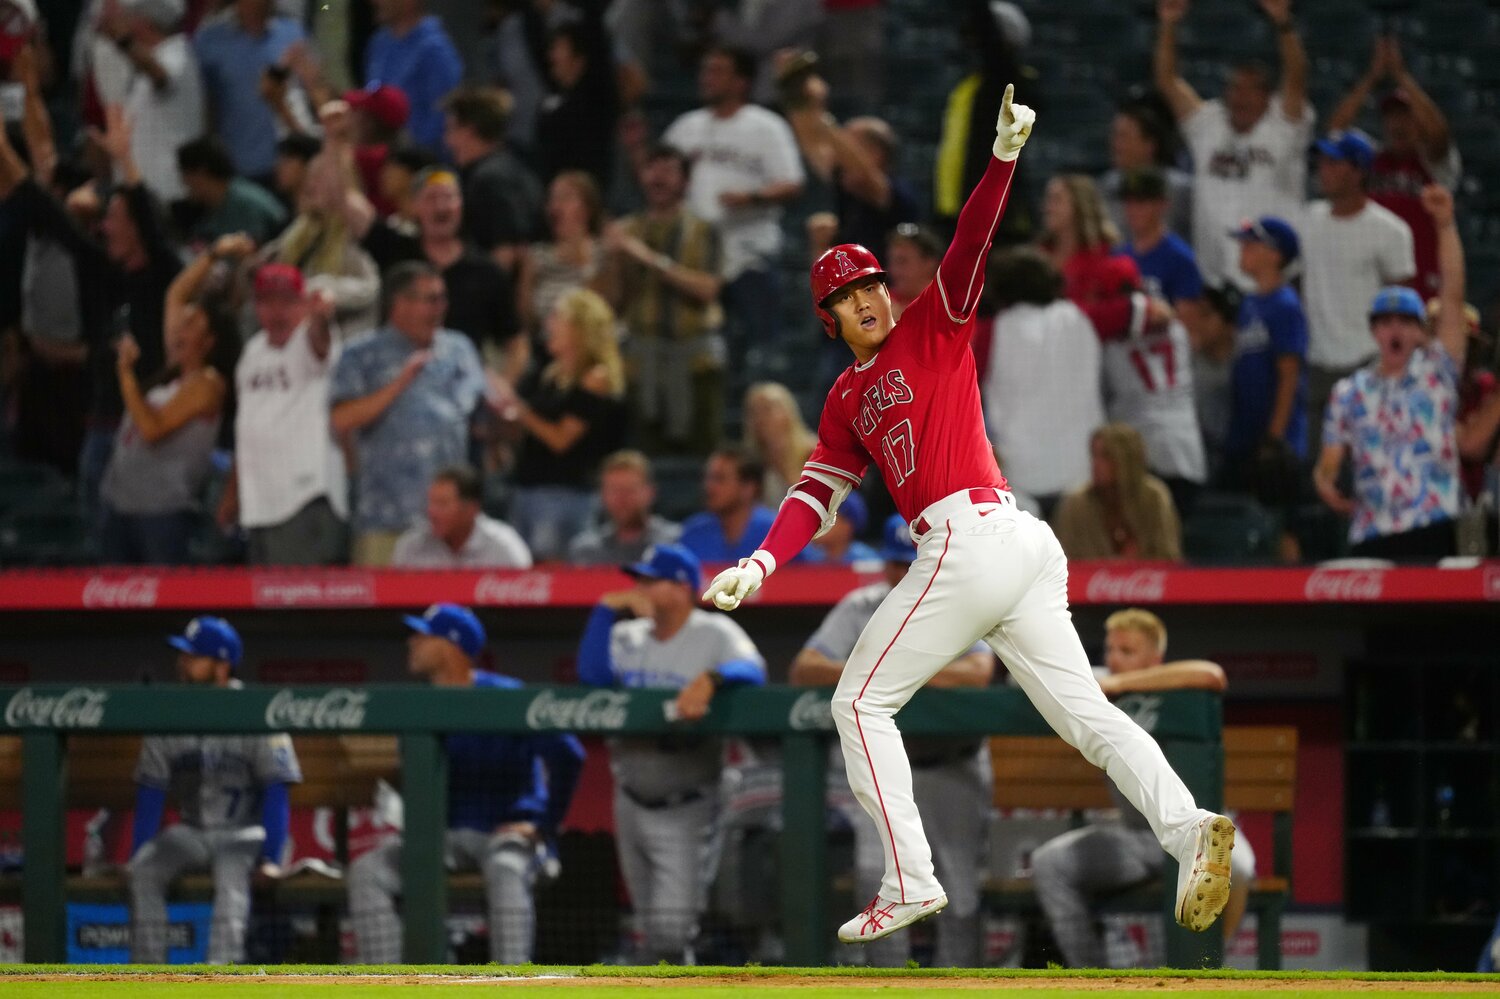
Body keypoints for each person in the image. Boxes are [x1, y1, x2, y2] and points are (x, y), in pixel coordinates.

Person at [703, 85, 1237, 946]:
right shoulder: (843, 397)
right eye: (852, 295)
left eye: (874, 283)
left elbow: (972, 239)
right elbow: (812, 493)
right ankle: (1189, 828)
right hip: (1008, 545)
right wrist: (763, 561)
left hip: (978, 537)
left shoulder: (930, 326)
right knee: (1090, 719)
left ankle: (910, 877)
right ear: (829, 318)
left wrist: (1002, 159)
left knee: (857, 704)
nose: (871, 298)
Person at [791, 513, 994, 966]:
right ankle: (886, 986)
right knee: (875, 880)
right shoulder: (862, 606)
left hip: (949, 766)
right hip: (883, 767)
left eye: (912, 563)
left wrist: (898, 672)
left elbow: (978, 673)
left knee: (959, 892)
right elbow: (805, 666)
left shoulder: (960, 601)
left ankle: (962, 992)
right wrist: (886, 674)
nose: (902, 574)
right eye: (896, 564)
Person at [349, 603, 584, 963]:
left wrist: (544, 826)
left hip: (503, 835)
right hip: (442, 840)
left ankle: (513, 985)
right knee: (368, 871)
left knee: (506, 869)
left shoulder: (506, 697)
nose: (412, 643)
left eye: (423, 636)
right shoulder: (418, 705)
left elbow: (569, 754)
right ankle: (388, 983)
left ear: (451, 646)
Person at [1030, 608, 1256, 968]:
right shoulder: (1096, 686)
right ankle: (1089, 978)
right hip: (1136, 837)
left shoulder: (1173, 683)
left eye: (1127, 651)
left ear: (1155, 658)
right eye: (1111, 650)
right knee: (1049, 863)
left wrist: (1123, 685)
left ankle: (1207, 967)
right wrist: (1110, 684)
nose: (1115, 660)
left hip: (1203, 832)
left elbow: (1212, 675)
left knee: (1239, 866)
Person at [576, 544, 766, 963]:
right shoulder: (627, 635)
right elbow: (591, 676)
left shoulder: (713, 632)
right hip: (629, 796)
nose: (638, 589)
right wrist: (604, 611)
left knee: (671, 930)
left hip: (688, 799)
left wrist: (711, 679)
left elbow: (754, 670)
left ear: (681, 588)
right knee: (650, 933)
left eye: (651, 580)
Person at [0, 104, 180, 524]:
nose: (104, 227)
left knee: (153, 550)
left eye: (114, 219)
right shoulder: (104, 272)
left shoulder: (165, 279)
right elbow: (44, 207)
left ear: (137, 226)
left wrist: (126, 162)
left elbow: (154, 232)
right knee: (105, 550)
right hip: (99, 427)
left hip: (150, 429)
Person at [128, 616, 302, 964]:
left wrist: (270, 857)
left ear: (222, 667)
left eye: (194, 657)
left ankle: (221, 974)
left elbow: (276, 790)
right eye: (183, 656)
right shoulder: (167, 714)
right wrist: (137, 851)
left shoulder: (258, 711)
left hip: (246, 831)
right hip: (191, 832)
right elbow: (151, 792)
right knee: (142, 871)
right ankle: (148, 976)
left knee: (231, 872)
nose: (183, 663)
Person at [1315, 188, 1467, 561]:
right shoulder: (1349, 391)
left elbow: (1452, 297)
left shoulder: (1437, 371)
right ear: (1374, 332)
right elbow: (1331, 457)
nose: (1394, 330)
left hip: (1435, 520)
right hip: (1373, 527)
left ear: (1419, 331)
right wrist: (1325, 478)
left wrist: (1445, 225)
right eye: (1385, 323)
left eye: (1404, 322)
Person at [663, 46, 805, 390]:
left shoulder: (765, 126)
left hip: (748, 253)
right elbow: (660, 178)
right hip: (696, 256)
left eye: (717, 71)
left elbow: (793, 183)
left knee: (760, 352)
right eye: (705, 70)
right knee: (698, 353)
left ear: (742, 81)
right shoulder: (686, 127)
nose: (706, 77)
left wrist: (752, 197)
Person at [330, 261, 486, 566]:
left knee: (447, 610)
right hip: (385, 517)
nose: (440, 308)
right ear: (399, 303)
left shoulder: (459, 349)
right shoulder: (362, 353)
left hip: (451, 526)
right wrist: (399, 383)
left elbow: (476, 415)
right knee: (382, 611)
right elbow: (341, 419)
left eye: (442, 299)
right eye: (430, 299)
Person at [1154, 0, 1312, 289]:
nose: (1240, 97)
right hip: (1216, 283)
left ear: (1268, 97)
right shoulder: (1209, 126)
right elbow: (1167, 80)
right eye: (1235, 88)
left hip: (1276, 281)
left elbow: (1297, 77)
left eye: (1251, 90)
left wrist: (1283, 24)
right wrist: (1169, 24)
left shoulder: (1283, 127)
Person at [98, 248, 234, 564]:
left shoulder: (208, 383)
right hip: (121, 506)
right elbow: (176, 293)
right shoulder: (171, 377)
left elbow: (152, 428)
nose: (178, 329)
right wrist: (213, 254)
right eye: (180, 323)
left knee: (159, 610)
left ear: (209, 341)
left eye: (190, 325)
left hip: (160, 514)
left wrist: (126, 375)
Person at [596, 143, 725, 456]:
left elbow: (707, 289)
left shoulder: (704, 230)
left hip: (696, 360)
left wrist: (650, 259)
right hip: (642, 360)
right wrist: (612, 259)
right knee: (644, 455)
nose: (658, 178)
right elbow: (612, 300)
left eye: (668, 171)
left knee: (701, 454)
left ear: (685, 182)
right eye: (652, 169)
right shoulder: (626, 231)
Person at [219, 257, 349, 566]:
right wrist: (233, 492)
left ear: (303, 304)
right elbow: (247, 428)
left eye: (287, 302)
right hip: (259, 503)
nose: (277, 312)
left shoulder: (308, 341)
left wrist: (321, 318)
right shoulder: (253, 351)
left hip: (303, 500)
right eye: (266, 302)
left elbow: (320, 342)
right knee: (267, 608)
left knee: (298, 608)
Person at [488, 287, 627, 562]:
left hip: (564, 493)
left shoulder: (595, 377)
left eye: (557, 316)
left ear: (579, 328)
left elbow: (561, 439)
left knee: (552, 573)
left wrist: (518, 407)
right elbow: (532, 429)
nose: (548, 323)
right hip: (527, 486)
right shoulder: (551, 374)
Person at [1300, 130, 1416, 444]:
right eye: (1322, 163)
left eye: (1333, 163)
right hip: (1317, 362)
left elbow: (1403, 308)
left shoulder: (1391, 231)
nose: (1323, 170)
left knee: (1369, 462)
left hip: (1367, 362)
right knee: (1317, 466)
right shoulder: (1307, 219)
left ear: (1357, 171)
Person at [350, 166, 520, 374]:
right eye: (431, 198)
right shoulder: (395, 250)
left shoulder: (487, 271)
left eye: (449, 197)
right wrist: (334, 142)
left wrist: (502, 390)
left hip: (460, 389)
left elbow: (516, 342)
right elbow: (344, 203)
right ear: (414, 206)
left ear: (461, 206)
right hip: (392, 378)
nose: (441, 206)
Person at [1328, 36, 1460, 299]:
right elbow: (1335, 134)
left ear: (1418, 121)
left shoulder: (1436, 164)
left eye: (1406, 116)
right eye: (1391, 117)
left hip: (1423, 277)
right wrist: (1370, 78)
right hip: (1374, 274)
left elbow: (1438, 135)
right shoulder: (1371, 159)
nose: (1398, 124)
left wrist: (1401, 77)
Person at [1110, 168, 1208, 512]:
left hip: (1163, 387)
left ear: (1162, 206)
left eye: (1143, 203)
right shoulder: (1118, 259)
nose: (1134, 211)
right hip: (1129, 394)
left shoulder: (1179, 258)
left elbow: (1189, 331)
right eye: (1129, 203)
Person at [982, 247, 1104, 515]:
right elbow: (1132, 311)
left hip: (1018, 477)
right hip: (1081, 472)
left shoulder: (991, 332)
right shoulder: (1083, 318)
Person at [1224, 217, 1308, 514]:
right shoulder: (1250, 303)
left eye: (1251, 244)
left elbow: (1289, 375)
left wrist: (1275, 437)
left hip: (1274, 439)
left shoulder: (1285, 304)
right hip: (1247, 433)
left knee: (1280, 521)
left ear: (1275, 254)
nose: (1242, 250)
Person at [92, 0, 205, 203]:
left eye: (127, 17)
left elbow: (160, 76)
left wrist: (122, 39)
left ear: (142, 22)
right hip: (145, 192)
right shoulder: (154, 58)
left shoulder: (177, 53)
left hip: (168, 193)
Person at [1038, 174, 1164, 345]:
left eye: (1057, 200)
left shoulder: (1113, 267)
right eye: (1048, 199)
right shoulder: (1035, 262)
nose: (1047, 207)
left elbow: (1147, 314)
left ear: (1080, 206)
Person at [194, 0, 307, 183]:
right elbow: (204, 106)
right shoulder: (209, 41)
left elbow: (310, 93)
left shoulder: (292, 34)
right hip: (235, 168)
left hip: (287, 169)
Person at [443, 86, 543, 271]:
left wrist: (487, 295)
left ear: (470, 131)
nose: (447, 141)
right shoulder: (515, 167)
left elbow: (506, 250)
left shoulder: (489, 180)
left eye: (451, 129)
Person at [516, 170, 606, 374]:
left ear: (587, 208)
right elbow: (525, 318)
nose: (556, 205)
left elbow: (600, 309)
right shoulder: (537, 256)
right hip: (546, 351)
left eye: (565, 197)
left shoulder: (605, 253)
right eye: (552, 198)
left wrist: (585, 259)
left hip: (592, 355)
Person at [1053, 424, 1183, 562]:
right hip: (1086, 582)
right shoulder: (1075, 504)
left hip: (1147, 581)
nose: (1095, 464)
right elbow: (1062, 563)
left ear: (1127, 460)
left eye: (1105, 456)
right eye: (1094, 455)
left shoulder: (1154, 498)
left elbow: (1169, 556)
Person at [363, 0, 463, 153]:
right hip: (379, 158)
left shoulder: (435, 50)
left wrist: (408, 156)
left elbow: (442, 118)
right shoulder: (379, 43)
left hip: (419, 164)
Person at [393, 465, 532, 568]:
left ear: (471, 509)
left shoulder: (503, 546)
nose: (431, 511)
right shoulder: (410, 546)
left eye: (442, 504)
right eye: (431, 502)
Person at [534, 22, 617, 187]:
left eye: (558, 48)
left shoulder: (595, 105)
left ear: (579, 58)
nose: (552, 56)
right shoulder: (554, 100)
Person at [567, 449, 683, 566]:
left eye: (630, 489)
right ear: (602, 495)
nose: (622, 498)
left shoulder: (675, 543)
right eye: (614, 490)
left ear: (650, 493)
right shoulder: (586, 551)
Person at [1100, 104, 1193, 243]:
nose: (1116, 144)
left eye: (1124, 137)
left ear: (1150, 145)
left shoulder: (1181, 190)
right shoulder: (1106, 186)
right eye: (1115, 136)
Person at [176, 136, 288, 249]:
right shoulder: (215, 205)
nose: (183, 182)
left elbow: (254, 251)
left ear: (201, 172)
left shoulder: (244, 202)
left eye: (185, 174)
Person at [678, 445, 777, 565]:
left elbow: (805, 575)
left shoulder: (777, 533)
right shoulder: (693, 534)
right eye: (708, 478)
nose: (709, 487)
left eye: (719, 479)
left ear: (748, 488)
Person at [743, 381, 816, 509]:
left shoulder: (813, 452)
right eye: (753, 412)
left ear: (787, 413)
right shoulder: (750, 460)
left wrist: (780, 460)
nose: (760, 418)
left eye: (767, 409)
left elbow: (814, 503)